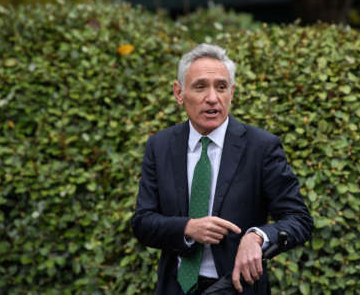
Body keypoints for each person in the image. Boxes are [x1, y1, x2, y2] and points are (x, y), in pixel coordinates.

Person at [131, 43, 313, 295]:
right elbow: (142, 222)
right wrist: (187, 228)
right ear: (178, 92)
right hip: (175, 287)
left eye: (221, 87)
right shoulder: (160, 146)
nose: (212, 98)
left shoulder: (261, 147)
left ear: (232, 92)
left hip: (237, 287)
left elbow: (299, 220)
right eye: (200, 86)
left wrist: (258, 236)